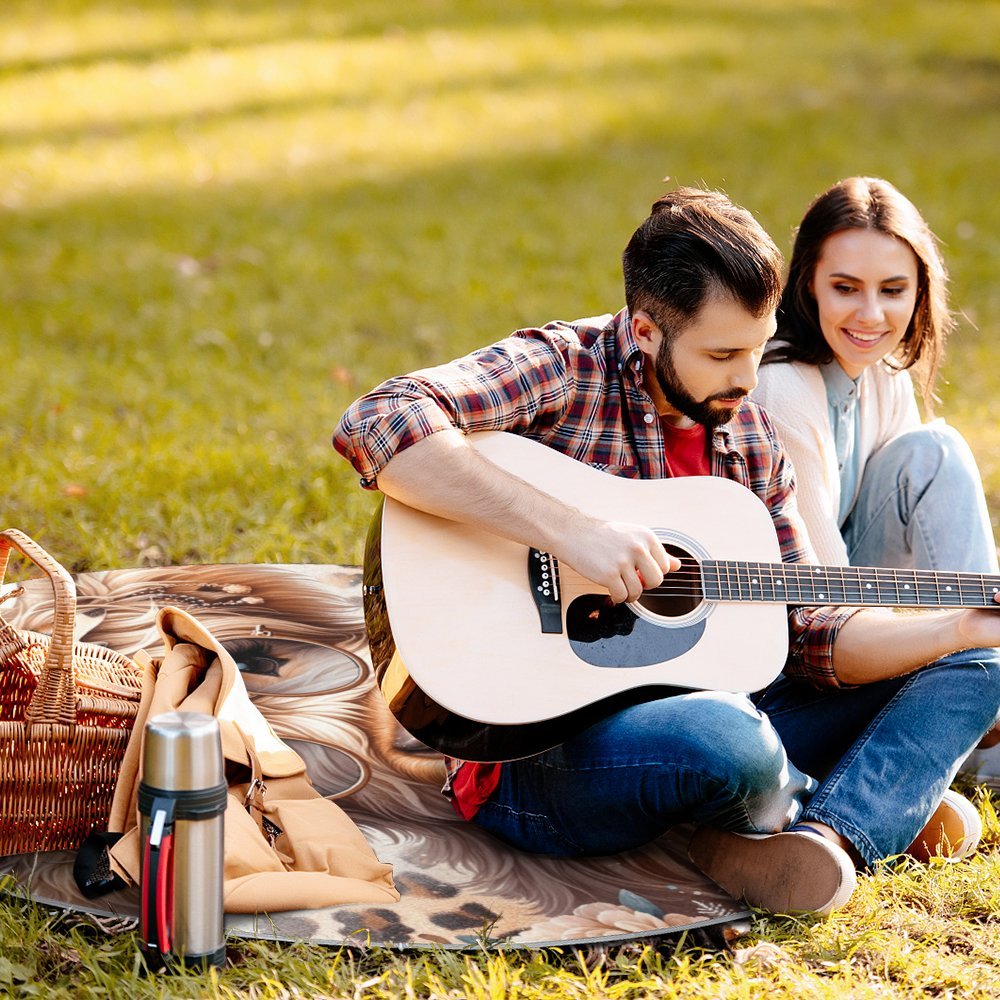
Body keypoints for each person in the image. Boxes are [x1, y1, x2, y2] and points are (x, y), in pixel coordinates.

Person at [333, 187, 1000, 916]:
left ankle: (830, 837)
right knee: (728, 742)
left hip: (728, 708)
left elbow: (809, 629)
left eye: (757, 346)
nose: (748, 380)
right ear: (646, 330)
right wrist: (569, 531)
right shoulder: (564, 367)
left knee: (980, 665)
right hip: (537, 754)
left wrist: (956, 628)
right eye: (722, 354)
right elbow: (380, 419)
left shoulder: (748, 436)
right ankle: (853, 797)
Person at [753, 176, 1000, 792]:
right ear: (807, 281)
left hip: (861, 607)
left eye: (893, 290)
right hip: (796, 646)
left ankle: (976, 697)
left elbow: (921, 530)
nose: (871, 315)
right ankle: (977, 705)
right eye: (845, 288)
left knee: (932, 452)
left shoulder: (881, 370)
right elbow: (824, 601)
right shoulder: (783, 385)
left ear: (920, 291)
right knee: (937, 451)